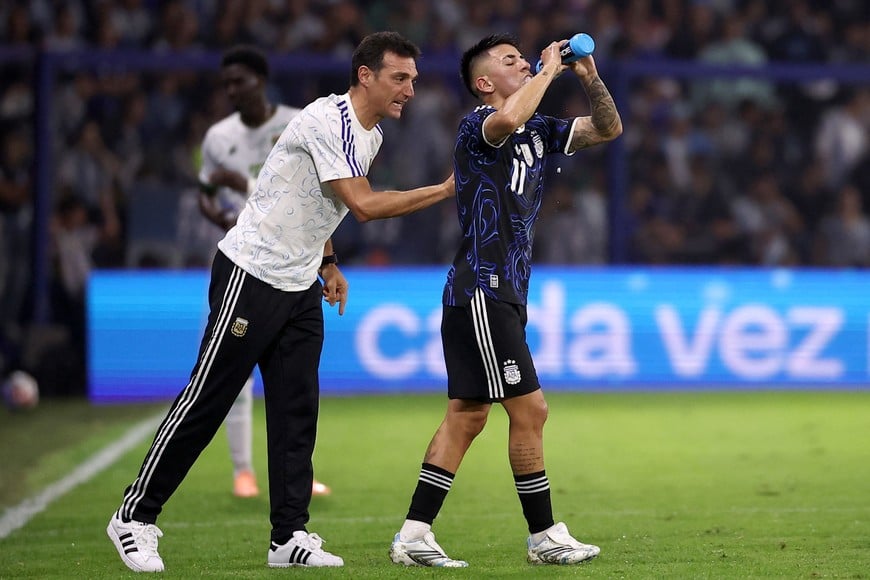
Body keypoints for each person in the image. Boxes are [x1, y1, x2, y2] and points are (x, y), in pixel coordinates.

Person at [107, 31, 455, 572]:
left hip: (299, 283)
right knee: (208, 398)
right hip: (252, 272)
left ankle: (288, 537)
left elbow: (321, 204)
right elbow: (362, 204)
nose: (410, 89)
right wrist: (445, 189)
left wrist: (329, 262)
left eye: (412, 78)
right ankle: (134, 517)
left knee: (296, 413)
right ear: (366, 74)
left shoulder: (371, 135)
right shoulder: (325, 119)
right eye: (400, 77)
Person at [388, 34, 623, 568]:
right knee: (531, 409)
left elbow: (609, 128)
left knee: (467, 416)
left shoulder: (541, 129)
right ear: (484, 83)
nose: (525, 63)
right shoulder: (477, 126)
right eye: (510, 60)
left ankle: (413, 535)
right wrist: (544, 71)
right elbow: (507, 122)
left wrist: (586, 76)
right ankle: (544, 535)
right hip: (482, 289)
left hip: (504, 293)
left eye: (526, 58)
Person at [197, 44, 331, 499]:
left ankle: (297, 480)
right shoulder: (217, 138)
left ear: (261, 79)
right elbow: (204, 191)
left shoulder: (300, 121)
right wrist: (217, 214)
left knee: (295, 386)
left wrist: (328, 262)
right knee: (228, 379)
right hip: (243, 262)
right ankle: (242, 471)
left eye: (240, 81)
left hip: (293, 266)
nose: (232, 91)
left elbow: (314, 197)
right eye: (226, 84)